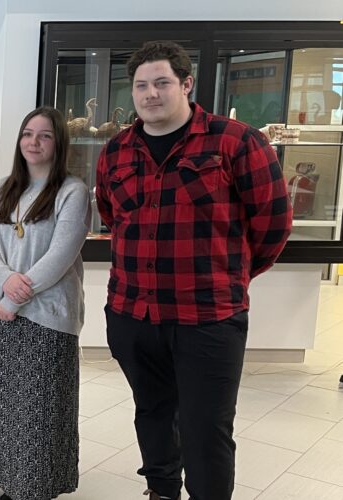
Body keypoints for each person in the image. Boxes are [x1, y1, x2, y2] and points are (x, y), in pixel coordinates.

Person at [95, 41, 292, 500]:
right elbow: (112, 216)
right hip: (133, 314)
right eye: (141, 85)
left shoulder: (237, 141)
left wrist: (228, 278)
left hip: (208, 319)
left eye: (162, 82)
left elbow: (272, 224)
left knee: (207, 430)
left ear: (186, 84)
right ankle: (162, 491)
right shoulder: (116, 150)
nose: (150, 94)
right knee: (152, 414)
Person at [0, 106, 90, 500]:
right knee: (8, 406)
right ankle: (12, 482)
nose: (33, 142)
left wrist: (16, 296)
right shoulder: (2, 189)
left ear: (59, 143)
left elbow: (61, 254)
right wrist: (4, 280)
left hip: (48, 315)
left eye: (44, 136)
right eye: (27, 134)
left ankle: (36, 487)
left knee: (42, 409)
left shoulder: (71, 191)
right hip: (2, 312)